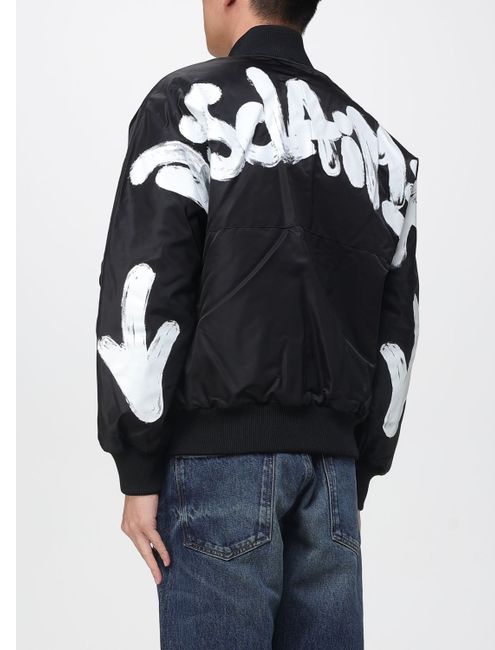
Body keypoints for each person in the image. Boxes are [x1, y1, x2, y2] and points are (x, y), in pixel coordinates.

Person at [95, 0, 420, 648]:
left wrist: (138, 463)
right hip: (333, 478)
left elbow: (148, 277)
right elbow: (398, 328)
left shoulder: (185, 106)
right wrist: (357, 473)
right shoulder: (382, 150)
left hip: (217, 467)